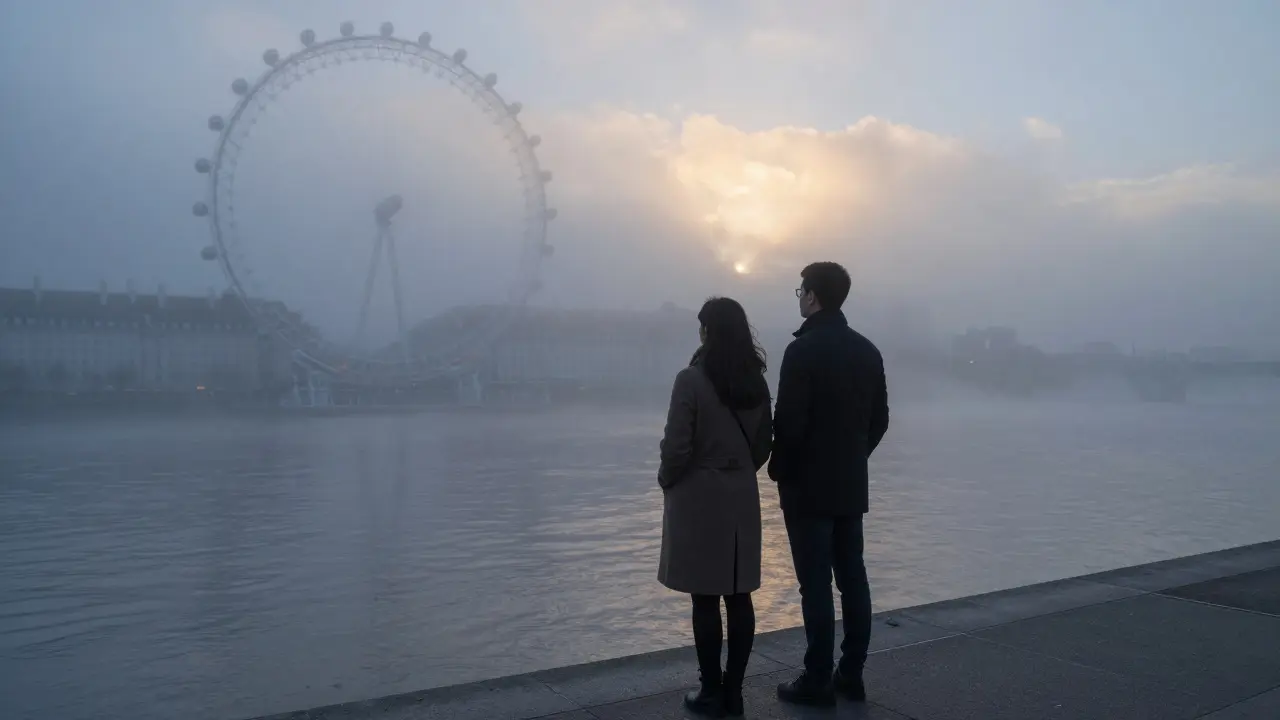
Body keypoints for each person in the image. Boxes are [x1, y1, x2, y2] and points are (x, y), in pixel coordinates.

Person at [770, 262, 890, 707]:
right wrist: (855, 458)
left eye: (801, 289)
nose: (799, 296)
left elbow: (789, 424)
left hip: (807, 488)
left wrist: (780, 469)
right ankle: (851, 673)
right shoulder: (867, 350)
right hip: (849, 485)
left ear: (813, 296)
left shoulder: (801, 352)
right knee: (852, 578)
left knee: (815, 584)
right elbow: (880, 419)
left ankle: (816, 678)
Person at [658, 297, 773, 718]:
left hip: (699, 497)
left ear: (707, 332)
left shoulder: (690, 379)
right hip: (741, 495)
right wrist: (739, 469)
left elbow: (676, 447)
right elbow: (763, 445)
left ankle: (710, 691)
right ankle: (735, 692)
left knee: (704, 598)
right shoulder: (756, 383)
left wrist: (667, 479)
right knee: (739, 595)